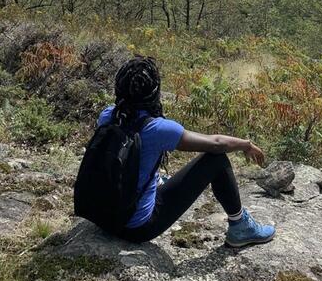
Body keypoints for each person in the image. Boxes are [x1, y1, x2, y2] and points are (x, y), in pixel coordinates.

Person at [97, 55, 275, 247]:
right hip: (135, 228)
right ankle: (240, 227)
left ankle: (155, 183)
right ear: (154, 92)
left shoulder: (108, 115)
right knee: (216, 160)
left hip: (102, 217)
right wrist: (245, 145)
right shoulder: (157, 129)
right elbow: (216, 144)